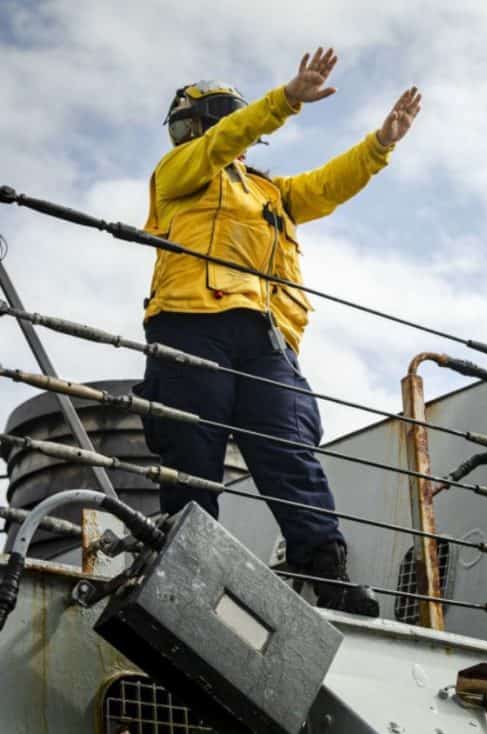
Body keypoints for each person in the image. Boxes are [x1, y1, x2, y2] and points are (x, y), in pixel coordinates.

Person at [135, 48, 421, 617]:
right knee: (192, 453)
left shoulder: (272, 194)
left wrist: (379, 145)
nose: (184, 136)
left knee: (291, 452)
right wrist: (286, 101)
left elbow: (325, 187)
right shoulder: (179, 172)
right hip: (192, 325)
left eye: (188, 125)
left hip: (266, 341)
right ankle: (188, 574)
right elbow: (219, 146)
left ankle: (327, 572)